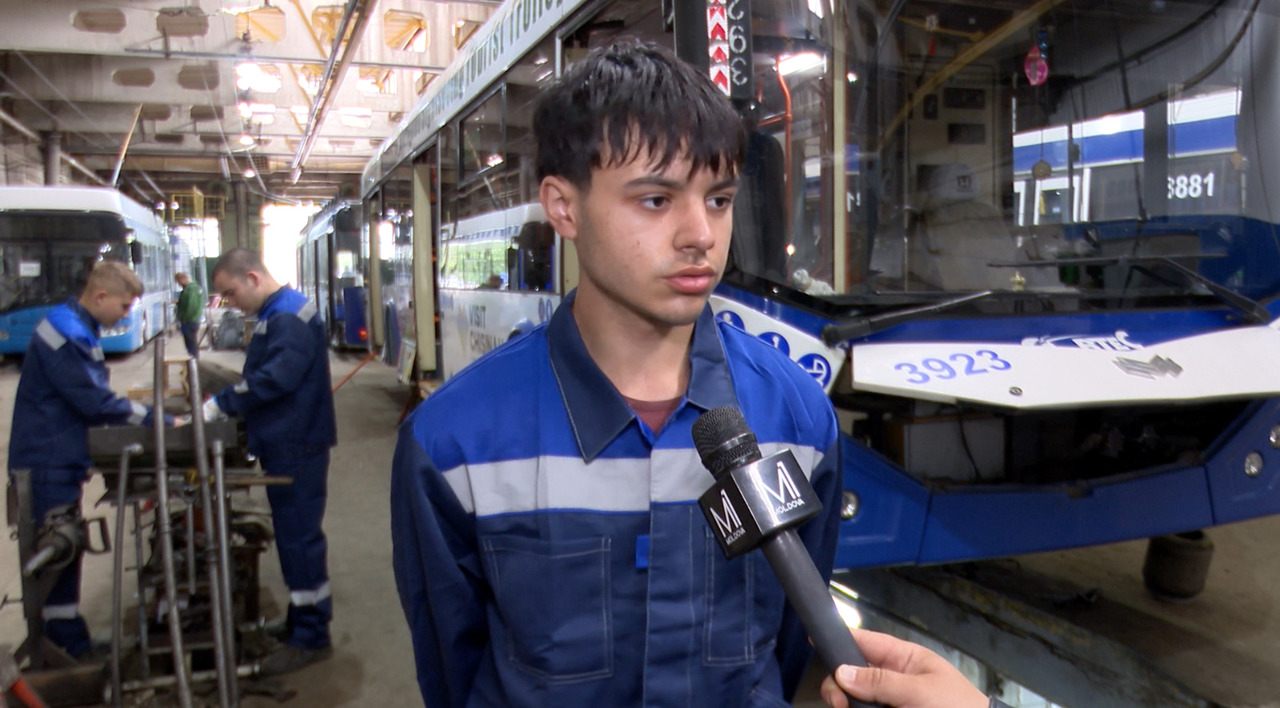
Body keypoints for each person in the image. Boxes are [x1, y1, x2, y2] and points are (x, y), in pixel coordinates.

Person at [391, 40, 837, 707]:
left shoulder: (797, 418)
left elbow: (794, 638)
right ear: (563, 207)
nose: (700, 234)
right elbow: (453, 668)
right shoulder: (454, 444)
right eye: (656, 200)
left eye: (719, 200)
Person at [8, 260, 172, 659]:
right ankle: (62, 647)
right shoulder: (68, 335)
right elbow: (95, 402)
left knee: (64, 550)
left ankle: (66, 640)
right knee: (58, 550)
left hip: (57, 455)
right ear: (100, 296)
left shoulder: (76, 326)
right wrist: (157, 419)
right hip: (46, 460)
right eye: (124, 305)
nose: (127, 315)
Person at [201, 248, 336, 675]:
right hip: (289, 440)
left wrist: (220, 404)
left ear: (253, 278)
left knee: (299, 540)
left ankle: (311, 638)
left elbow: (275, 378)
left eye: (230, 292)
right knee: (295, 538)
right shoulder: (277, 311)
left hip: (296, 444)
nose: (230, 302)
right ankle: (301, 620)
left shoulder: (286, 317)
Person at [174, 271, 204, 358]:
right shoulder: (194, 288)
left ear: (182, 279)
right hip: (193, 319)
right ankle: (193, 360)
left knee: (190, 343)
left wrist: (184, 318)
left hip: (189, 321)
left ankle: (193, 361)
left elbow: (192, 306)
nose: (179, 284)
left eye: (178, 282)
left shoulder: (190, 290)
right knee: (191, 341)